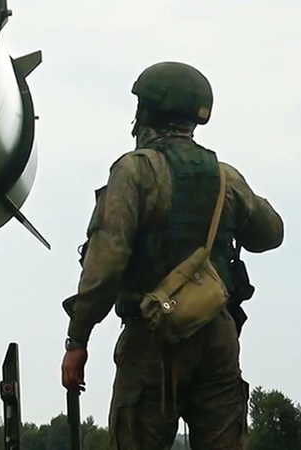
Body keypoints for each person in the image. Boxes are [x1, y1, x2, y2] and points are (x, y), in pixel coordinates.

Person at [60, 62, 284, 449]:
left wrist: (77, 340)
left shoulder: (135, 172)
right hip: (217, 336)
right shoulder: (225, 176)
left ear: (147, 112)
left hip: (152, 338)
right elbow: (271, 233)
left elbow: (105, 266)